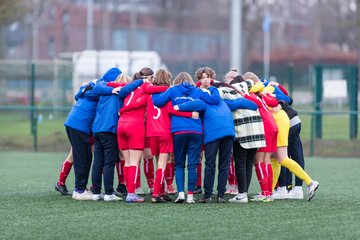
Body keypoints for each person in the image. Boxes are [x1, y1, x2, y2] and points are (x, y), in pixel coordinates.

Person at [244, 72, 319, 201]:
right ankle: (270, 192)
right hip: (279, 122)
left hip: (280, 122)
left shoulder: (263, 87)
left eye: (246, 84)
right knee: (275, 159)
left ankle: (309, 182)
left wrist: (245, 90)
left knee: (282, 158)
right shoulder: (261, 90)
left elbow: (286, 98)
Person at [64, 68, 121, 200]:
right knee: (82, 158)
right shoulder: (100, 86)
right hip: (80, 124)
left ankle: (81, 189)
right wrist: (112, 90)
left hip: (76, 122)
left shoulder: (92, 84)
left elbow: (78, 95)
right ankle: (79, 190)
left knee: (87, 157)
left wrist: (83, 89)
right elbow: (94, 91)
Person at [152, 72, 209, 204]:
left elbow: (157, 101)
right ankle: (190, 196)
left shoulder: (173, 90)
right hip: (196, 131)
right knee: (193, 164)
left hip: (178, 131)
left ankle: (181, 194)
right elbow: (203, 106)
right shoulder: (197, 90)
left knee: (179, 164)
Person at [117, 67, 168, 203]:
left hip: (121, 124)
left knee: (127, 161)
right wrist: (170, 88)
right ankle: (132, 194)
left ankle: (130, 191)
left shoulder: (129, 87)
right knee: (134, 161)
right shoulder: (146, 86)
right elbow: (157, 90)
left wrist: (122, 110)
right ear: (149, 79)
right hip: (135, 124)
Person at [91, 72, 143, 201]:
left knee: (98, 161)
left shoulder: (105, 89)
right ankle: (109, 193)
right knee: (109, 162)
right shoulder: (123, 91)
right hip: (110, 128)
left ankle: (96, 192)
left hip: (97, 128)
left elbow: (97, 86)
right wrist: (141, 81)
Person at [216, 77, 266, 203]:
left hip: (243, 131)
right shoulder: (246, 87)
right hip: (257, 131)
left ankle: (242, 194)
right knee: (248, 164)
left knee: (240, 163)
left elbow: (223, 101)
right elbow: (257, 83)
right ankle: (244, 193)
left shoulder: (224, 91)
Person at [194, 67, 235, 203]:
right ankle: (212, 195)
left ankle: (217, 195)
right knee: (214, 164)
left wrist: (202, 92)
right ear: (199, 79)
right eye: (203, 77)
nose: (205, 80)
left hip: (217, 132)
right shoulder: (203, 92)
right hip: (223, 131)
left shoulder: (212, 91)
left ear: (211, 78)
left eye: (207, 77)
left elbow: (214, 100)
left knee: (217, 164)